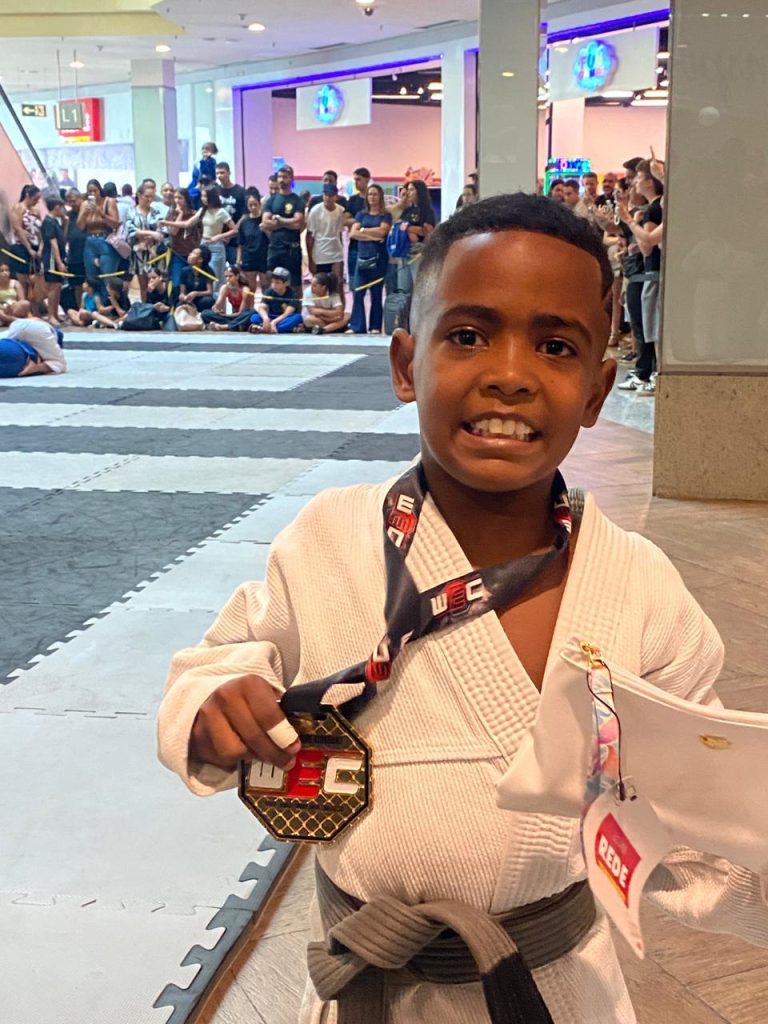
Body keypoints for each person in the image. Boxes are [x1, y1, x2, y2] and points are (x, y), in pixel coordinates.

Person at [159, 191, 768, 1024]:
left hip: (557, 990)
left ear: (597, 391)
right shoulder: (328, 536)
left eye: (555, 346)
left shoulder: (637, 584)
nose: (510, 374)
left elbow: (705, 804)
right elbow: (228, 653)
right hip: (365, 988)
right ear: (406, 364)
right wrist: (211, 703)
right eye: (469, 335)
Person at [617, 160, 664, 396]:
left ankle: (654, 374)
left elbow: (647, 245)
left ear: (650, 181)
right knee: (648, 327)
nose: (634, 182)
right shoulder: (652, 208)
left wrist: (628, 219)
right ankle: (650, 372)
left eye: (638, 177)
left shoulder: (654, 209)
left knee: (652, 329)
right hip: (651, 272)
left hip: (653, 272)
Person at [348, 183, 391, 335]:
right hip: (362, 257)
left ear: (380, 197)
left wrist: (363, 231)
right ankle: (357, 326)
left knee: (376, 293)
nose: (372, 197)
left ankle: (375, 326)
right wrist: (372, 236)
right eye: (370, 194)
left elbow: (383, 231)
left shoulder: (385, 215)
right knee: (358, 292)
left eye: (375, 194)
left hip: (379, 258)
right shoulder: (361, 215)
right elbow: (353, 234)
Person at [261, 165, 306, 290]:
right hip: (275, 248)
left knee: (295, 285)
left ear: (291, 179)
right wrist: (287, 223)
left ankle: (295, 304)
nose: (281, 180)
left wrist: (279, 220)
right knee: (272, 283)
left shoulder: (297, 200)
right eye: (280, 177)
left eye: (285, 177)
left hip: (292, 249)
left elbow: (298, 222)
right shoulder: (271, 200)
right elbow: (265, 223)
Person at [77, 179, 120, 304]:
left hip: (105, 239)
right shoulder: (85, 204)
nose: (92, 194)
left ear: (100, 190)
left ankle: (109, 304)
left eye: (95, 191)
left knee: (106, 275)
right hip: (90, 240)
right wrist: (84, 213)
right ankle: (95, 306)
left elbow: (115, 223)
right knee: (91, 276)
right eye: (89, 191)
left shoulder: (109, 201)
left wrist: (101, 213)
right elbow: (80, 226)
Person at [126, 182, 168, 301]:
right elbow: (131, 231)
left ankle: (161, 305)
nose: (149, 199)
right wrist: (151, 233)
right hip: (139, 253)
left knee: (158, 282)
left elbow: (161, 230)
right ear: (139, 195)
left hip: (154, 252)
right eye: (146, 196)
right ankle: (145, 307)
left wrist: (148, 238)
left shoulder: (155, 212)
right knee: (143, 285)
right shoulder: (131, 212)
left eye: (151, 197)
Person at [306, 183, 345, 283]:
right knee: (321, 286)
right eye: (325, 195)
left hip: (336, 253)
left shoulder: (341, 211)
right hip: (320, 254)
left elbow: (340, 233)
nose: (328, 198)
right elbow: (309, 236)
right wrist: (310, 259)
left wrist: (342, 251)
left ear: (336, 197)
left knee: (337, 284)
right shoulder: (315, 211)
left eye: (331, 195)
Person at [0, 316, 66, 377]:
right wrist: (36, 368)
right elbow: (60, 365)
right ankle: (34, 367)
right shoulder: (51, 336)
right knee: (59, 363)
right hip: (38, 329)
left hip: (17, 325)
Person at [164, 188, 202, 290]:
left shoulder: (194, 214)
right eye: (175, 198)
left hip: (192, 253)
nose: (177, 200)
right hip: (177, 253)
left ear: (186, 199)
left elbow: (201, 232)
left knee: (192, 283)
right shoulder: (171, 214)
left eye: (180, 198)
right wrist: (180, 214)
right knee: (177, 283)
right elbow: (173, 232)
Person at [199, 185, 237, 290]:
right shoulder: (203, 210)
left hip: (216, 246)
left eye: (205, 196)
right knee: (204, 275)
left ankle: (218, 299)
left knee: (215, 278)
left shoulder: (221, 212)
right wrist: (168, 222)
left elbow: (234, 230)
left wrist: (220, 236)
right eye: (202, 196)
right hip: (203, 244)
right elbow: (188, 223)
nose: (203, 199)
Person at [9, 184, 43, 300]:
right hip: (22, 246)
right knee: (23, 279)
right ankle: (23, 302)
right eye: (35, 198)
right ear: (28, 195)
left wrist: (40, 248)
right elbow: (18, 229)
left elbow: (40, 231)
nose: (37, 201)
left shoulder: (36, 211)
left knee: (36, 279)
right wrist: (28, 248)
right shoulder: (18, 208)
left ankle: (35, 306)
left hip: (36, 245)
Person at [248, 266, 302, 334]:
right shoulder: (269, 292)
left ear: (286, 283)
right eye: (272, 282)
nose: (274, 285)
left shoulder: (292, 294)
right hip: (271, 316)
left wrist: (274, 322)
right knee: (254, 317)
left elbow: (287, 313)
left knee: (297, 317)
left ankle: (265, 328)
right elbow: (261, 307)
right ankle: (273, 328)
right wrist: (265, 318)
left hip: (284, 318)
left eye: (277, 283)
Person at [40, 195, 68, 325]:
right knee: (53, 286)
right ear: (57, 207)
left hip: (58, 257)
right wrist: (59, 262)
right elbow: (53, 243)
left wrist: (65, 223)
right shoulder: (48, 222)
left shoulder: (55, 222)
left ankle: (55, 313)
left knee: (58, 286)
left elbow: (62, 238)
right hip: (51, 258)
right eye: (62, 208)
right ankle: (51, 315)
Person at [201, 266, 255, 331]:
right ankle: (235, 326)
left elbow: (240, 313)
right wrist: (216, 309)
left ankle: (226, 326)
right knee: (205, 313)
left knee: (251, 313)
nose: (227, 279)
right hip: (232, 318)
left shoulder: (245, 290)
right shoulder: (225, 288)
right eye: (226, 276)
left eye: (230, 276)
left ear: (237, 276)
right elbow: (218, 305)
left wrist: (225, 315)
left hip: (241, 316)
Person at [215, 162, 247, 267]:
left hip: (235, 239)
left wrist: (232, 232)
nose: (219, 176)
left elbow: (244, 214)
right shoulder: (215, 191)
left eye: (222, 173)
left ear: (229, 173)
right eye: (217, 173)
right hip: (218, 237)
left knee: (236, 268)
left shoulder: (240, 191)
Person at [236, 193, 269, 294]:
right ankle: (250, 305)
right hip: (249, 258)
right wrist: (238, 259)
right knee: (251, 288)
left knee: (265, 287)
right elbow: (240, 243)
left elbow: (272, 238)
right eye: (250, 205)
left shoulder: (265, 219)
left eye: (255, 204)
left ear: (260, 204)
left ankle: (266, 304)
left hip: (264, 257)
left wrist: (266, 229)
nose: (253, 207)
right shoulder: (244, 222)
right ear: (247, 206)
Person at [344, 166, 371, 288]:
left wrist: (356, 223)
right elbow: (345, 220)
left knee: (372, 283)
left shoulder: (375, 199)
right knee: (354, 283)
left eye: (358, 179)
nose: (356, 183)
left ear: (367, 179)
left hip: (372, 246)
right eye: (354, 180)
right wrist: (362, 220)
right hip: (355, 245)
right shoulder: (352, 200)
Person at [64, 189, 88, 308]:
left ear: (80, 198)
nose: (72, 204)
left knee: (91, 283)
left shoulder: (88, 212)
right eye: (69, 202)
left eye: (74, 201)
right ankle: (80, 308)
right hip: (74, 255)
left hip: (89, 253)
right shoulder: (68, 216)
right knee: (77, 285)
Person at [177, 246, 216, 313]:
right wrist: (183, 297)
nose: (190, 254)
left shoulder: (208, 272)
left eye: (193, 253)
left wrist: (196, 293)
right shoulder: (184, 271)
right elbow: (182, 292)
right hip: (189, 299)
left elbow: (209, 292)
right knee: (179, 304)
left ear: (200, 259)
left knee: (208, 301)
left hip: (201, 299)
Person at [190, 141, 218, 209]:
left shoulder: (212, 161)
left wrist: (206, 160)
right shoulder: (197, 162)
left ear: (212, 151)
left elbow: (209, 175)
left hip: (208, 185)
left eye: (207, 149)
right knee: (189, 193)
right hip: (196, 184)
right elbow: (194, 176)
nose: (204, 150)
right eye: (203, 148)